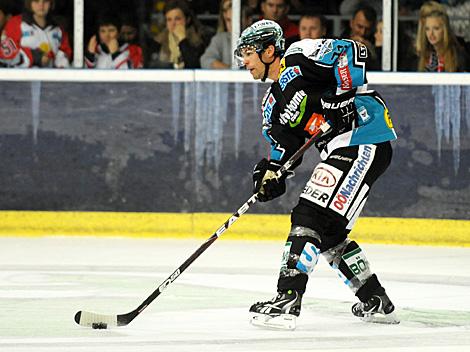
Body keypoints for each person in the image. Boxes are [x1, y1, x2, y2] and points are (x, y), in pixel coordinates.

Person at [234, 19, 399, 330]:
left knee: (309, 215)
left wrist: (341, 98)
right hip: (343, 147)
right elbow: (284, 150)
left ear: (269, 50)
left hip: (363, 134)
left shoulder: (300, 54)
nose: (244, 62)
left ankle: (287, 298)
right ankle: (376, 300)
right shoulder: (272, 104)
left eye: (248, 53)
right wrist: (271, 173)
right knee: (328, 233)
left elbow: (353, 52)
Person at [1, 0, 71, 68]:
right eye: (36, 1)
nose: (41, 5)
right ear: (29, 3)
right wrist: (35, 57)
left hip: (50, 78)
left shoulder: (58, 29)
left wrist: (59, 61)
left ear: (51, 4)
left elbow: (65, 54)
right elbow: (5, 54)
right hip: (21, 78)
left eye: (45, 1)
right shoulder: (15, 23)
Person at [147, 0, 207, 69]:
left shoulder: (198, 41)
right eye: (169, 20)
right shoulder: (157, 42)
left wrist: (183, 41)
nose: (173, 24)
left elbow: (194, 66)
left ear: (187, 20)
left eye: (177, 19)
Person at [416, 2, 469, 72]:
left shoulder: (458, 55)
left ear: (445, 29)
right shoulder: (421, 56)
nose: (431, 34)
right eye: (427, 29)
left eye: (436, 28)